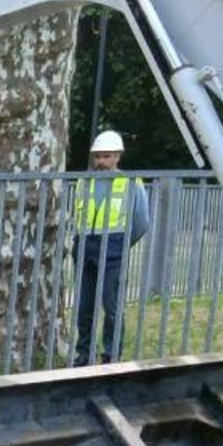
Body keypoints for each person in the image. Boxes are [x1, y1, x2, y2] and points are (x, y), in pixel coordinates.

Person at [71, 130, 151, 366]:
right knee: (84, 306)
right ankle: (84, 353)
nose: (101, 162)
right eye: (97, 157)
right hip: (86, 246)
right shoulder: (84, 182)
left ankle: (111, 355)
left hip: (114, 247)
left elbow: (142, 221)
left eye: (106, 156)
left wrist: (123, 245)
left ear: (118, 156)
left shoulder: (130, 182)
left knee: (112, 306)